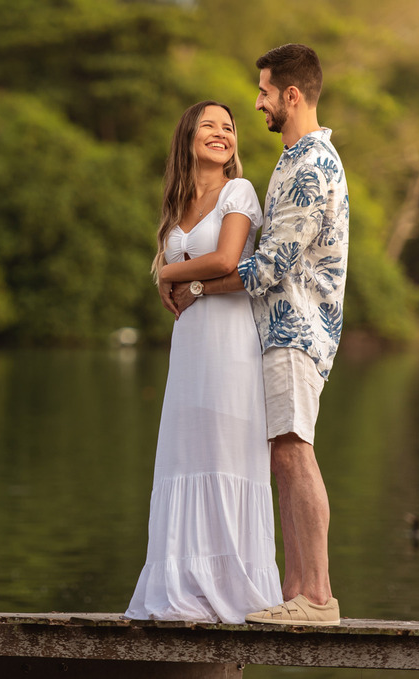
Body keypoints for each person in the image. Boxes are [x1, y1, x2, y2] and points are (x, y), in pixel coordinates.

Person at [168, 44, 348, 626]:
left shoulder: (311, 165)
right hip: (281, 328)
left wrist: (193, 288)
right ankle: (296, 591)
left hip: (297, 328)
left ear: (291, 95)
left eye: (265, 91)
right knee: (284, 456)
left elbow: (270, 268)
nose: (259, 102)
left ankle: (316, 596)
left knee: (295, 453)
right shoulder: (295, 160)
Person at [124, 100, 283, 623]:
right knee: (186, 455)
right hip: (189, 345)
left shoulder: (238, 191)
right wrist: (175, 279)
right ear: (188, 137)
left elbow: (227, 260)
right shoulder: (176, 206)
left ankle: (235, 587)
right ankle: (183, 586)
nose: (222, 133)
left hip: (231, 342)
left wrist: (170, 277)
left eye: (230, 127)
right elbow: (184, 264)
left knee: (227, 452)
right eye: (209, 125)